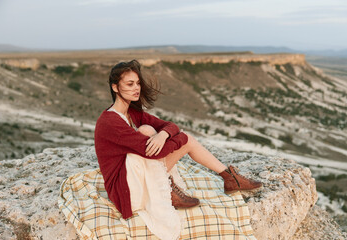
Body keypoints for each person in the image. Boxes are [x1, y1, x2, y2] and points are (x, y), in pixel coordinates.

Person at [94, 59, 262, 239]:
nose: (136, 88)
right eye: (130, 84)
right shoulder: (110, 121)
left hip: (135, 180)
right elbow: (154, 152)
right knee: (152, 132)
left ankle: (229, 178)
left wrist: (163, 134)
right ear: (115, 88)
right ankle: (175, 184)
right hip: (125, 194)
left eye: (137, 83)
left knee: (155, 131)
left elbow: (169, 125)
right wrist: (179, 138)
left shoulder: (132, 113)